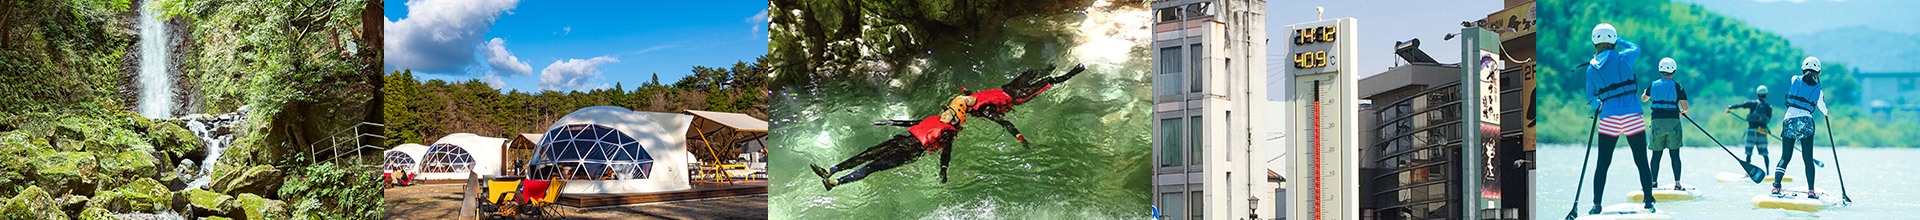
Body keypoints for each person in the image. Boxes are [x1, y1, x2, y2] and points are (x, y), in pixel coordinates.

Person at [809, 97, 974, 190]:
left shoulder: (947, 133)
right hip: (902, 141)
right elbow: (912, 123)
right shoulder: (933, 119)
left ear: (954, 120)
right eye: (946, 110)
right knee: (867, 153)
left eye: (949, 113)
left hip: (912, 151)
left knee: (873, 166)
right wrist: (890, 122)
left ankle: (836, 182)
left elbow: (946, 152)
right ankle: (830, 170)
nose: (945, 113)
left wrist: (943, 169)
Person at [1582, 23, 1658, 213]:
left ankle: (1596, 205)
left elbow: (1591, 96)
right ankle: (1648, 200)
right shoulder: (1625, 58)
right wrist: (1619, 40)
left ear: (1594, 42)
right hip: (1632, 116)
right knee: (1641, 160)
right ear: (1613, 40)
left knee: (1603, 163)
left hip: (1609, 118)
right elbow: (1636, 47)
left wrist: (1598, 105)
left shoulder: (1591, 69)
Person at [959, 64, 1086, 148]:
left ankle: (1050, 67)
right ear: (969, 108)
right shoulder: (987, 111)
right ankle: (1073, 72)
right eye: (966, 100)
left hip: (1011, 88)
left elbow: (969, 96)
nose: (968, 98)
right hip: (1019, 96)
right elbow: (1006, 123)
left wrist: (965, 91)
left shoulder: (971, 98)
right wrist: (1020, 137)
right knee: (1048, 81)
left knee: (1031, 72)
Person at [1772, 57, 1829, 198]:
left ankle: (1776, 187)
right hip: (1806, 121)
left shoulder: (1794, 79)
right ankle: (1811, 191)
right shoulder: (1819, 90)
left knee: (1785, 157)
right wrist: (1826, 112)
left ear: (1803, 68)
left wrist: (1814, 74)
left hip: (1789, 120)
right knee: (1808, 159)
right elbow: (1823, 109)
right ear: (1818, 72)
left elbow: (1802, 79)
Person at [1642, 57, 1689, 190]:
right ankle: (1677, 184)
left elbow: (1644, 99)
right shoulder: (1678, 86)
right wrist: (1683, 112)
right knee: (1675, 155)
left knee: (1656, 154)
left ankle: (1653, 183)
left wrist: (1646, 92)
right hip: (1673, 122)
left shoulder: (1653, 85)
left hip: (1657, 122)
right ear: (1673, 70)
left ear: (1660, 70)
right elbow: (1685, 107)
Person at [1726, 85, 1773, 168]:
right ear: (1766, 95)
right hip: (1762, 132)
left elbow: (1741, 105)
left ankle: (1748, 173)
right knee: (1765, 154)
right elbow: (1767, 121)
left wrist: (1730, 107)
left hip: (1751, 131)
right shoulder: (1768, 107)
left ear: (1757, 94)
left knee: (1748, 154)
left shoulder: (1752, 103)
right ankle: (1768, 173)